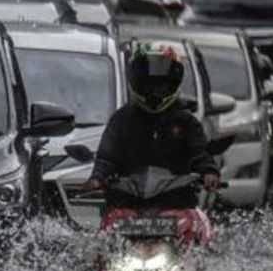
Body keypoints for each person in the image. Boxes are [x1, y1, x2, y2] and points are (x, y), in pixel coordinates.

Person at [86, 44, 219, 205]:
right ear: (138, 84)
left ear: (172, 84)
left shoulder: (186, 122)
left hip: (177, 201)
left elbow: (199, 153)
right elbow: (107, 157)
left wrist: (208, 172)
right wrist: (97, 177)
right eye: (149, 85)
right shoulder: (121, 119)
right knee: (107, 227)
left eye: (161, 85)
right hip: (127, 202)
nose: (155, 91)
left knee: (198, 225)